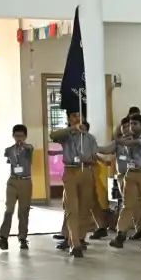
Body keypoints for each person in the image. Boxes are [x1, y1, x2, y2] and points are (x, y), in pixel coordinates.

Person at [49, 110, 106, 257]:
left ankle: (80, 238)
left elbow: (94, 157)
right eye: (73, 116)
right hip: (71, 171)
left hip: (86, 172)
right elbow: (52, 136)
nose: (77, 118)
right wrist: (71, 128)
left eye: (79, 115)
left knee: (85, 207)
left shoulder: (90, 138)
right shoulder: (66, 136)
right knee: (72, 207)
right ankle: (74, 242)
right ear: (69, 119)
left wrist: (89, 159)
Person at [112, 114, 141, 248]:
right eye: (131, 124)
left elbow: (127, 143)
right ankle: (120, 234)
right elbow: (117, 144)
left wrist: (118, 136)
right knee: (128, 205)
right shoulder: (127, 137)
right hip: (131, 173)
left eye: (135, 124)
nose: (132, 126)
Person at [0, 124, 34, 251]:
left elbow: (29, 148)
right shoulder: (9, 150)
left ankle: (22, 238)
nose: (19, 138)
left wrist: (23, 145)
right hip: (12, 181)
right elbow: (7, 157)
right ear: (13, 136)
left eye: (21, 136)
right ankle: (3, 237)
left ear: (25, 136)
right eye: (16, 136)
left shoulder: (28, 148)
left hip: (25, 182)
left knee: (23, 211)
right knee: (9, 209)